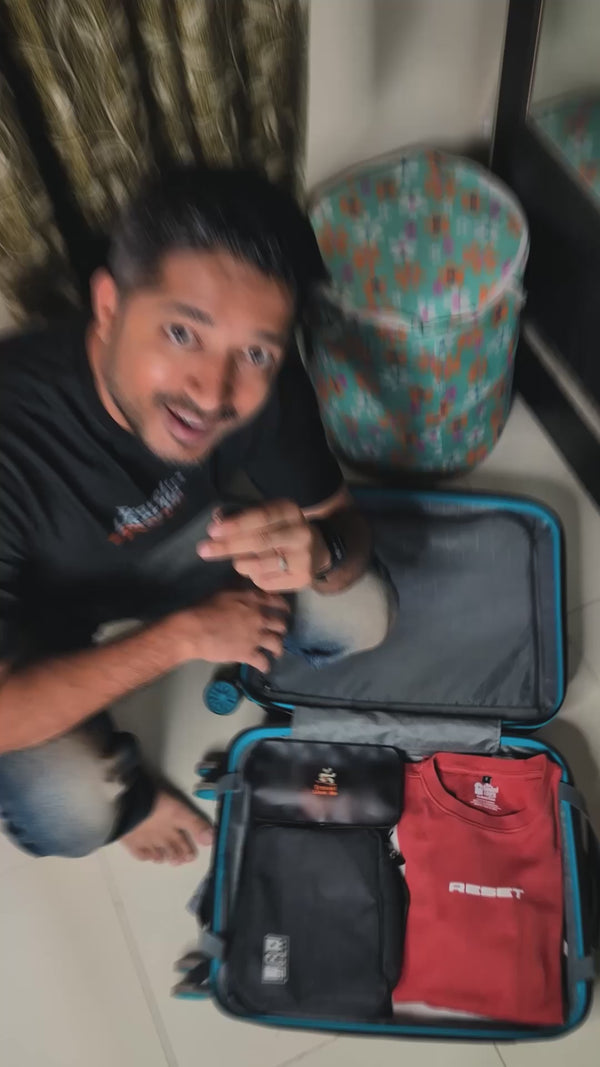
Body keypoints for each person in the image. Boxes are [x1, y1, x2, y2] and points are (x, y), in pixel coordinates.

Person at [0, 166, 392, 867]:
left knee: (359, 612)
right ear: (109, 305)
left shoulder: (267, 383)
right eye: (183, 333)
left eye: (255, 352)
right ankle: (138, 802)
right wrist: (181, 639)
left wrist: (322, 551)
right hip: (28, 624)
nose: (213, 393)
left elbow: (343, 525)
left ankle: (254, 660)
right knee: (72, 809)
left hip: (177, 546)